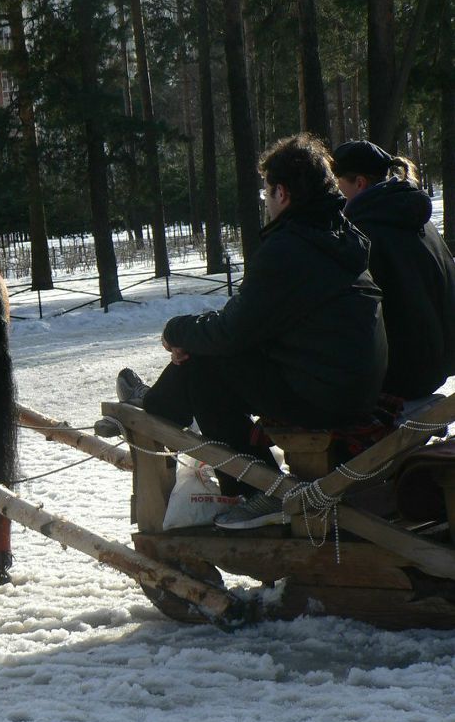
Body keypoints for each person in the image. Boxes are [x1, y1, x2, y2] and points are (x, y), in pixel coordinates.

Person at [101, 133, 387, 529]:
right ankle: (160, 410)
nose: (266, 202)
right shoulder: (337, 237)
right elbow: (256, 322)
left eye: (266, 192)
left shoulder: (290, 248)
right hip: (351, 385)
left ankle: (256, 490)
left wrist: (177, 332)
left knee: (204, 366)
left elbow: (232, 331)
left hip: (325, 395)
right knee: (211, 354)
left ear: (282, 192)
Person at [332, 140, 455, 401]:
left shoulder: (365, 233)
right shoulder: (415, 218)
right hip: (439, 365)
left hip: (401, 376)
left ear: (360, 183)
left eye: (338, 182)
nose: (336, 192)